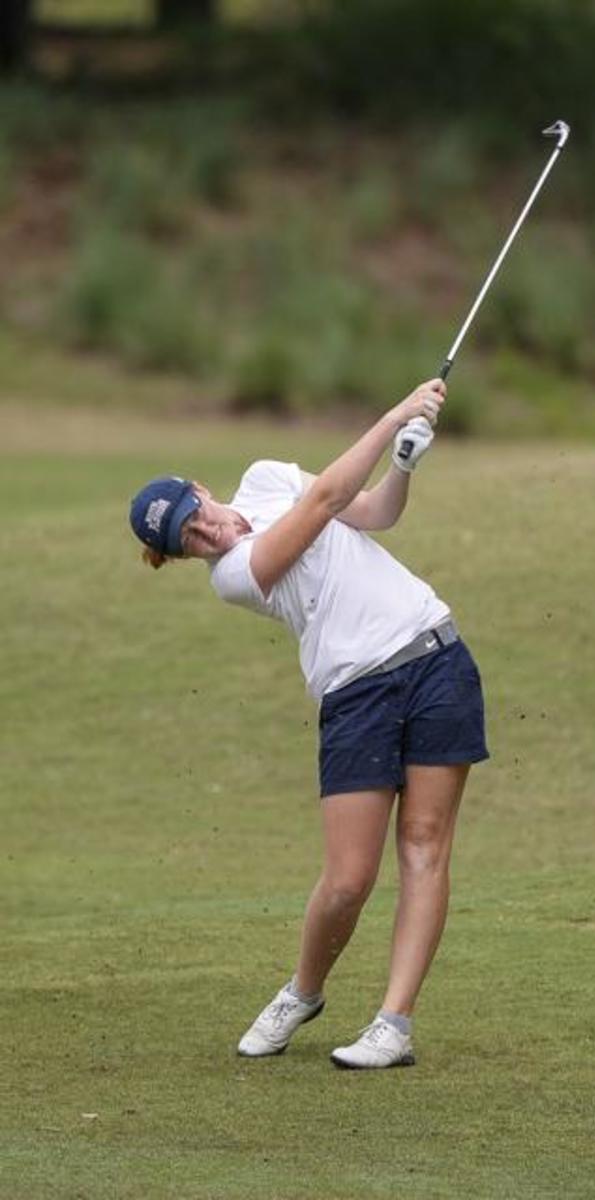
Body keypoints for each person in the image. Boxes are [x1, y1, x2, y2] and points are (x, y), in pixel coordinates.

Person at [128, 379, 488, 1069]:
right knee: (349, 879)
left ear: (200, 488)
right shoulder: (233, 574)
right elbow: (323, 502)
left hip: (436, 655)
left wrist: (403, 465)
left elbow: (374, 514)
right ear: (179, 555)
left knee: (424, 847)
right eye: (187, 539)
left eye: (194, 512)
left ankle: (394, 1024)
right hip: (356, 693)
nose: (204, 531)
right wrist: (395, 415)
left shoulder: (265, 477)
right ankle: (304, 990)